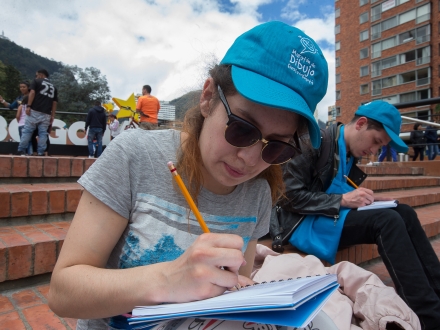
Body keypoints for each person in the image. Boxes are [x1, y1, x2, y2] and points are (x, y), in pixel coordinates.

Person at [48, 21, 329, 330]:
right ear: (208, 97)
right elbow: (63, 292)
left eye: (276, 148)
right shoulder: (135, 156)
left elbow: (235, 285)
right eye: (242, 128)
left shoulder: (258, 193)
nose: (249, 159)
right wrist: (168, 279)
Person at [270, 101, 440, 329]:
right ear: (361, 124)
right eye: (376, 142)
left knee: (404, 212)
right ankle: (429, 317)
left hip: (326, 215)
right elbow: (287, 196)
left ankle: (437, 293)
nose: (374, 151)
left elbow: (334, 188)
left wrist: (369, 199)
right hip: (299, 222)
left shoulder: (348, 151)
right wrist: (342, 199)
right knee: (387, 221)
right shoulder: (314, 140)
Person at [16, 69, 57, 156]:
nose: (36, 77)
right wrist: (52, 115)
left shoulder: (36, 81)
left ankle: (21, 149)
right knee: (43, 133)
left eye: (37, 75)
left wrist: (29, 106)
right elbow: (54, 102)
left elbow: (32, 92)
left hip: (35, 111)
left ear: (41, 75)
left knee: (27, 131)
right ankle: (41, 152)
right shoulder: (53, 87)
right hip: (47, 113)